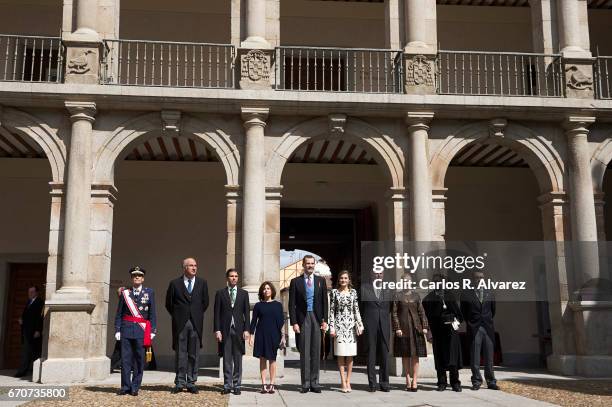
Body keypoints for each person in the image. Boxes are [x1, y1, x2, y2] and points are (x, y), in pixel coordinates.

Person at [165, 257, 209, 394]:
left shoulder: (202, 283)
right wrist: (179, 316)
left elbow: (205, 303)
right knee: (181, 354)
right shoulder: (174, 284)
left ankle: (191, 382)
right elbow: (169, 304)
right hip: (180, 324)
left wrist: (195, 314)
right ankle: (179, 382)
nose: (194, 268)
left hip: (195, 323)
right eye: (191, 265)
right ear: (184, 268)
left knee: (193, 354)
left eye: (195, 265)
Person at [114, 266, 157, 396]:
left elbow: (152, 313)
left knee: (139, 360)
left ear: (143, 278)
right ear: (132, 278)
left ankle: (135, 387)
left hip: (141, 331)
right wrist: (117, 329)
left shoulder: (149, 292)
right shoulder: (125, 293)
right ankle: (125, 386)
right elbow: (119, 313)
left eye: (139, 275)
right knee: (126, 359)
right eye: (134, 276)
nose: (137, 277)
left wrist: (153, 330)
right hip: (126, 329)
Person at [288, 255, 328, 393]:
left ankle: (315, 382)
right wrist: (294, 322)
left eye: (312, 263)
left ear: (314, 265)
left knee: (316, 351)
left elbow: (325, 302)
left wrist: (325, 320)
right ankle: (305, 383)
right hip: (303, 318)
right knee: (304, 351)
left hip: (317, 318)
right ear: (303, 265)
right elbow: (291, 303)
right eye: (307, 263)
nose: (310, 265)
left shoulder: (321, 281)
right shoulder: (295, 282)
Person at [423, 273, 463, 392]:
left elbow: (459, 315)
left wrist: (454, 321)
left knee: (453, 358)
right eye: (435, 281)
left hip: (451, 332)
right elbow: (426, 318)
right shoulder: (428, 299)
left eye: (440, 281)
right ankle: (441, 382)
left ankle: (455, 382)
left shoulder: (450, 295)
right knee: (440, 358)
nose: (438, 283)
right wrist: (429, 332)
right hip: (438, 332)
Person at [460, 270, 499, 391]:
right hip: (474, 327)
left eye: (481, 277)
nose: (480, 279)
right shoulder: (466, 294)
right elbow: (463, 312)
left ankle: (491, 381)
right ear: (473, 279)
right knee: (475, 356)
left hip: (487, 327)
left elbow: (493, 311)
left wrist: (486, 320)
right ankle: (476, 381)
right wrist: (471, 322)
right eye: (477, 278)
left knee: (489, 357)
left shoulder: (490, 293)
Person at [214, 268, 250, 395]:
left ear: (238, 278)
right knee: (227, 359)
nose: (234, 278)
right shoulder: (220, 293)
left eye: (236, 276)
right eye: (231, 276)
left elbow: (246, 313)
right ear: (227, 278)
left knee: (238, 358)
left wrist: (247, 330)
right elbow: (216, 314)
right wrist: (217, 330)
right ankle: (227, 385)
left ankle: (237, 385)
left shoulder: (244, 294)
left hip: (239, 330)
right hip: (225, 330)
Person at [392, 273, 429, 392]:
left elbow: (422, 312)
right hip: (403, 330)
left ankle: (415, 380)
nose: (406, 283)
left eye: (408, 281)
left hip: (415, 329)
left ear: (411, 282)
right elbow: (394, 313)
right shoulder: (397, 295)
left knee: (415, 355)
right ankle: (407, 379)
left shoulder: (416, 295)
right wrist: (397, 328)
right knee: (405, 355)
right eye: (404, 281)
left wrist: (424, 326)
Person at [328, 270, 363, 393]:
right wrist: (331, 327)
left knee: (350, 354)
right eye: (341, 278)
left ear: (349, 280)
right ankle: (342, 381)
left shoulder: (353, 293)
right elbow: (331, 311)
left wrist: (360, 324)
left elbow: (356, 310)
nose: (343, 280)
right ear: (339, 280)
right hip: (339, 327)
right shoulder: (334, 293)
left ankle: (348, 381)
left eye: (345, 278)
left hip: (351, 327)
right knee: (341, 354)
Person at [249, 281, 284, 394]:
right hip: (261, 335)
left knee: (272, 360)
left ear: (272, 290)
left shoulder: (278, 305)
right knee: (262, 359)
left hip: (274, 335)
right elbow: (253, 321)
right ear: (262, 291)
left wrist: (283, 336)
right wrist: (251, 336)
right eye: (264, 289)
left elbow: (281, 322)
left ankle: (272, 384)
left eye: (268, 288)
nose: (266, 290)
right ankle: (264, 384)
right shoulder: (258, 305)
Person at [361, 270, 392, 392]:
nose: (378, 275)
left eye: (381, 273)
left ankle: (384, 383)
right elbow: (360, 308)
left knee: (384, 354)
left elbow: (390, 308)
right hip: (370, 325)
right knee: (371, 354)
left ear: (383, 275)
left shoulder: (388, 288)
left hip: (384, 325)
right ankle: (372, 383)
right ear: (371, 274)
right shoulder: (364, 288)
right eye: (376, 273)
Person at [15, 285, 43, 377]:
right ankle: (29, 370)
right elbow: (26, 315)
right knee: (29, 351)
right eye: (29, 292)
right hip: (26, 331)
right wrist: (21, 320)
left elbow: (40, 317)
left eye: (31, 292)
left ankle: (22, 371)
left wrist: (38, 330)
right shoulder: (29, 302)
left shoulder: (40, 302)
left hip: (33, 331)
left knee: (30, 351)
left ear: (36, 293)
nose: (29, 294)